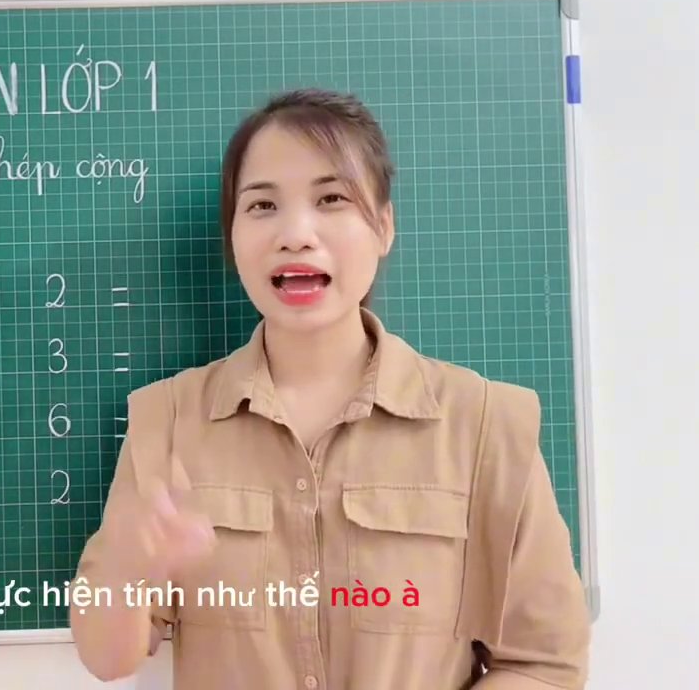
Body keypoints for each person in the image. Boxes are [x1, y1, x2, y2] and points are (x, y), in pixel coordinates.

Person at [69, 88, 591, 690]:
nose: (296, 233)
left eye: (332, 198)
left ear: (384, 227)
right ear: (232, 236)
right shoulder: (168, 419)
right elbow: (106, 658)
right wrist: (130, 565)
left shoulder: (483, 426)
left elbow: (544, 665)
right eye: (262, 205)